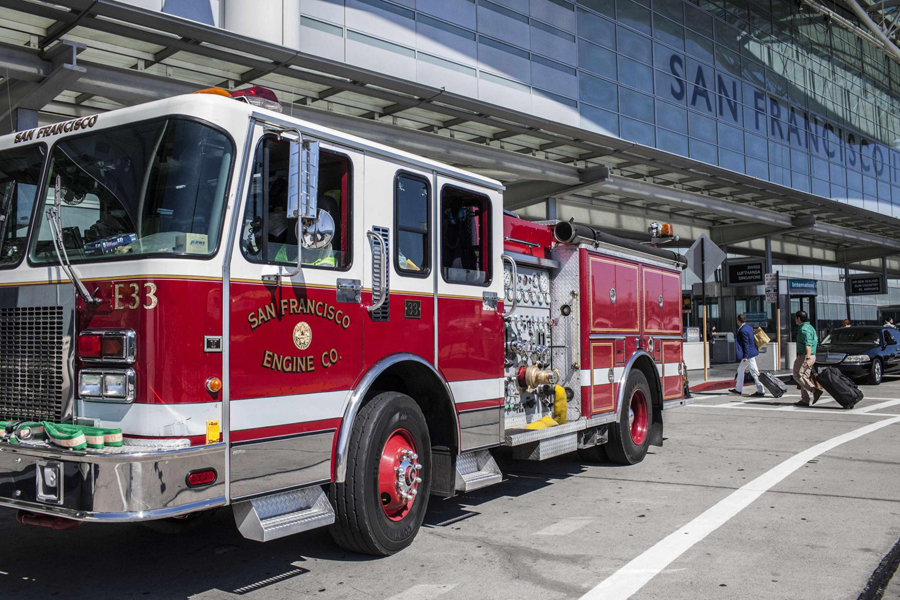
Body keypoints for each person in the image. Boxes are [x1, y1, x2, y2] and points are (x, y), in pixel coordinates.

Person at [730, 314, 764, 397]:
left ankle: (761, 390)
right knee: (740, 369)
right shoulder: (748, 327)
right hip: (750, 353)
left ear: (738, 320)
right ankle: (738, 389)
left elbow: (746, 344)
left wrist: (745, 356)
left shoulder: (743, 330)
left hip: (749, 355)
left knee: (754, 372)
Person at [793, 310, 822, 407]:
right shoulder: (810, 327)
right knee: (804, 376)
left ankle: (814, 390)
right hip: (811, 355)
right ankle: (805, 400)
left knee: (797, 375)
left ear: (799, 318)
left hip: (805, 355)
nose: (795, 320)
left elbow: (808, 344)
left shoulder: (804, 330)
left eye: (795, 318)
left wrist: (808, 358)